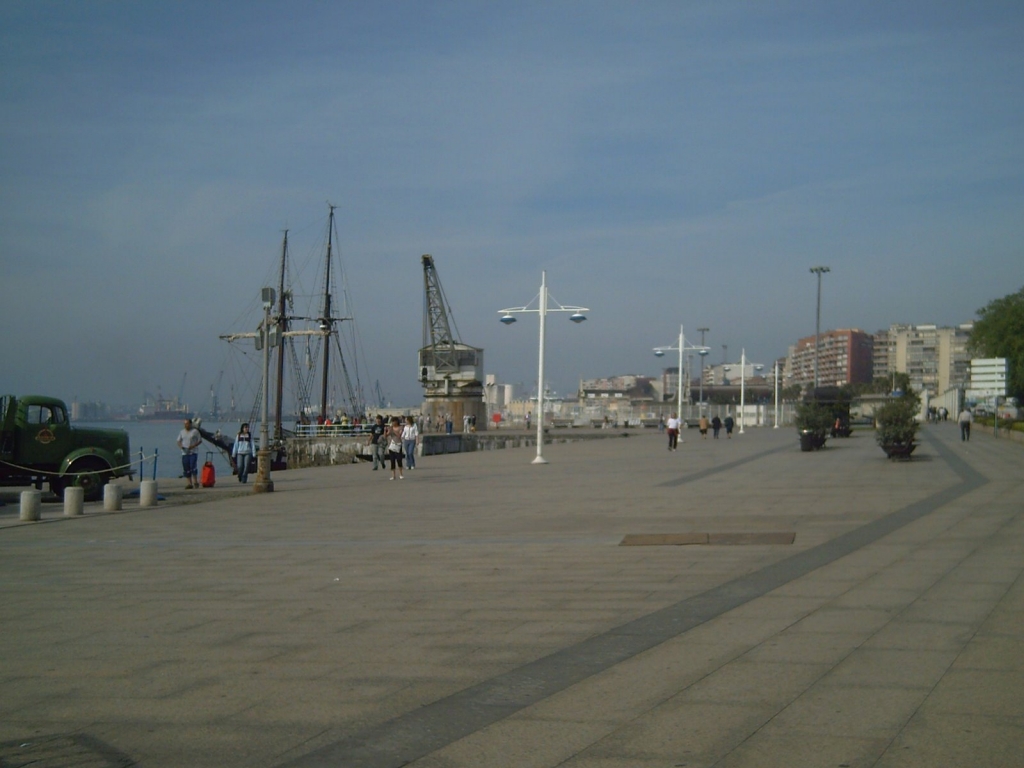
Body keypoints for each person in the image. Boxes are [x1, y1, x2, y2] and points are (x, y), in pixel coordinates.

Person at [177, 418, 202, 489]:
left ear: (190, 424)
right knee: (186, 468)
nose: (186, 425)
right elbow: (178, 441)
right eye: (185, 424)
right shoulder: (182, 432)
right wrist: (181, 446)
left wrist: (193, 446)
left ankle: (195, 482)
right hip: (184, 453)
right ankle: (189, 483)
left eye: (187, 424)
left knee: (193, 467)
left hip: (193, 452)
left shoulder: (195, 431)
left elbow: (200, 440)